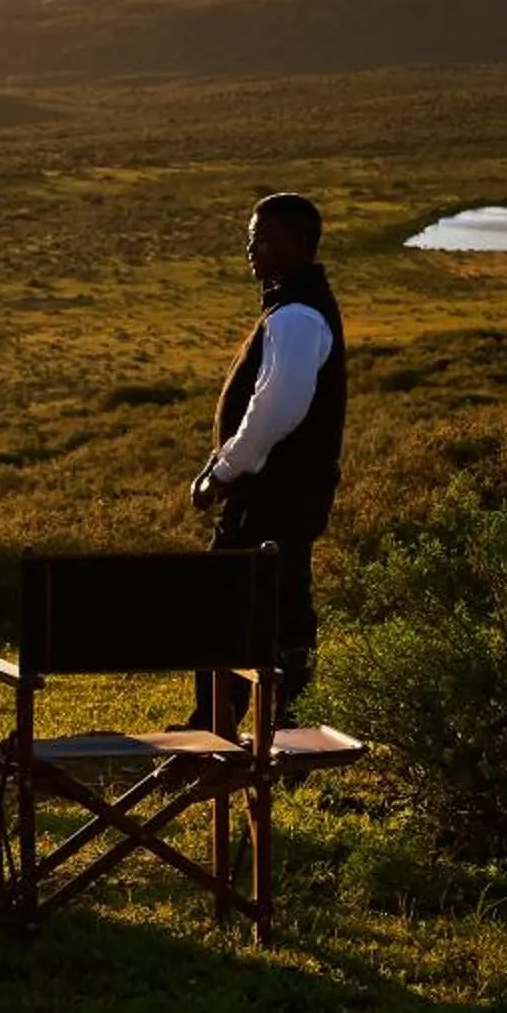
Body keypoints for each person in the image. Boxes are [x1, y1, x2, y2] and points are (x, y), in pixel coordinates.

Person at [188, 191, 346, 729]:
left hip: (266, 497)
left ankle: (222, 724)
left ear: (300, 244)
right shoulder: (296, 306)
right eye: (251, 237)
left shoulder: (297, 315)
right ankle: (284, 726)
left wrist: (223, 471)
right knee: (281, 609)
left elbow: (276, 408)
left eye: (264, 238)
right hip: (288, 496)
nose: (252, 248)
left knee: (228, 605)